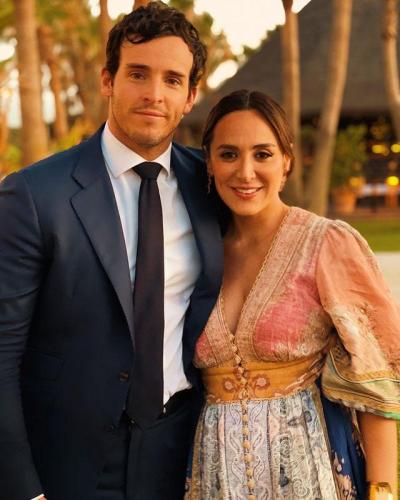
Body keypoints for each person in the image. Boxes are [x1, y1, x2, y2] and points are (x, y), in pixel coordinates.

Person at [0, 3, 223, 500]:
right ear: (108, 80)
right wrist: (21, 487)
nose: (153, 94)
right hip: (66, 462)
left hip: (179, 449)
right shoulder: (34, 195)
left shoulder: (210, 186)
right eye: (138, 74)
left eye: (172, 80)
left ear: (190, 96)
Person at [185, 89, 400, 500]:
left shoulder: (326, 243)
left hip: (310, 474)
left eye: (262, 154)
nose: (245, 172)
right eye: (228, 155)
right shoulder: (195, 253)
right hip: (214, 475)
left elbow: (377, 383)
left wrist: (383, 491)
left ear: (286, 161)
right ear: (208, 163)